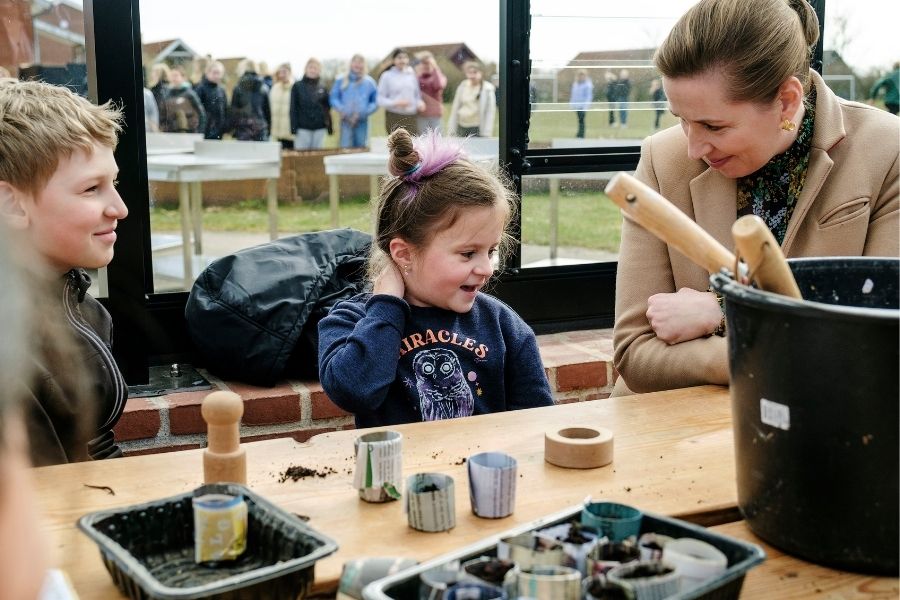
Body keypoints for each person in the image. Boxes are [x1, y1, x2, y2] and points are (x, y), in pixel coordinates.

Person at [613, 0, 900, 395]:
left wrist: (722, 311)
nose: (694, 147)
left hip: (831, 423)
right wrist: (771, 345)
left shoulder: (888, 151)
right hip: (670, 430)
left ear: (786, 100)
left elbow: (880, 338)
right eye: (680, 118)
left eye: (713, 125)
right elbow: (635, 354)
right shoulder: (663, 159)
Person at [318, 128, 554, 426]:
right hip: (399, 472)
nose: (487, 268)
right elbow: (354, 392)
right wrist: (386, 305)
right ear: (404, 254)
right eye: (468, 254)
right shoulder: (352, 320)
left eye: (491, 251)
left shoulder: (504, 326)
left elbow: (537, 422)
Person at [0, 78, 131, 463]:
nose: (120, 208)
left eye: (115, 183)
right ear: (13, 204)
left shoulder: (79, 304)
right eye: (92, 188)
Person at [330, 54, 379, 148]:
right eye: (355, 61)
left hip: (361, 121)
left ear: (364, 65)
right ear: (350, 64)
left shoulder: (369, 82)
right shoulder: (340, 80)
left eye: (360, 62)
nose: (357, 64)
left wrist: (365, 111)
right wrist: (342, 109)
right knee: (345, 147)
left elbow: (375, 101)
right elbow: (334, 98)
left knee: (361, 147)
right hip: (345, 121)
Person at [377, 48, 423, 135]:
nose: (402, 60)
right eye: (399, 58)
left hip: (411, 116)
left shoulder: (412, 75)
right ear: (394, 60)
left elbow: (417, 96)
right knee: (397, 146)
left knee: (411, 146)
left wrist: (420, 103)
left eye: (405, 57)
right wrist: (396, 103)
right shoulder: (386, 76)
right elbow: (380, 99)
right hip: (394, 116)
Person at [290, 57, 332, 150]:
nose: (312, 70)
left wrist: (329, 127)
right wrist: (293, 128)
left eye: (315, 68)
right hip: (302, 128)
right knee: (301, 158)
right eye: (310, 67)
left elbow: (327, 108)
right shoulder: (297, 86)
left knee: (317, 158)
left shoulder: (323, 86)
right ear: (306, 69)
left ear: (319, 70)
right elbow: (293, 108)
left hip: (319, 128)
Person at [447, 61, 496, 137]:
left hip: (476, 127)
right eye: (469, 73)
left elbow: (490, 112)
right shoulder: (462, 86)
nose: (472, 75)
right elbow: (455, 108)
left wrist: (487, 132)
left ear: (481, 73)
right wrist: (451, 129)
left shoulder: (487, 89)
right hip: (461, 125)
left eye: (475, 72)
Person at [229, 59, 270, 141]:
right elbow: (267, 112)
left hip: (243, 128)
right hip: (260, 127)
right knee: (260, 153)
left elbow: (234, 111)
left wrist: (233, 129)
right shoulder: (264, 88)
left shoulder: (238, 88)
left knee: (243, 153)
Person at [162, 64, 205, 134]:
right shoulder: (166, 95)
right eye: (171, 76)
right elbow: (163, 116)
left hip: (189, 133)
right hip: (171, 134)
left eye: (176, 75)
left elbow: (201, 114)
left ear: (183, 77)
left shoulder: (190, 94)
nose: (173, 78)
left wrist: (199, 132)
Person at [194, 60, 228, 140]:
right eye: (214, 73)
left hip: (218, 130)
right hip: (204, 130)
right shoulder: (200, 88)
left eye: (219, 73)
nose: (216, 76)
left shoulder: (221, 90)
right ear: (207, 73)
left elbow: (225, 109)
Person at [415, 50, 447, 133]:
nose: (426, 65)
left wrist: (435, 68)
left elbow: (439, 85)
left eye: (428, 63)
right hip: (421, 115)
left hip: (435, 115)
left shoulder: (439, 76)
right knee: (423, 141)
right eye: (423, 63)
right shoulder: (417, 77)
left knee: (438, 140)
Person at [269, 62, 295, 149]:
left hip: (290, 133)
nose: (282, 75)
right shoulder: (275, 88)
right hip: (277, 132)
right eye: (280, 72)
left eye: (284, 72)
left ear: (290, 73)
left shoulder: (295, 88)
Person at [570, 69, 593, 138]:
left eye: (583, 75)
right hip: (577, 106)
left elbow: (589, 96)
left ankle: (581, 134)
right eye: (580, 75)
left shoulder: (588, 85)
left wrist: (586, 106)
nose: (581, 77)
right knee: (580, 120)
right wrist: (572, 104)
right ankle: (579, 134)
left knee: (581, 120)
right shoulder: (576, 84)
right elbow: (573, 95)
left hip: (583, 106)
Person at [148, 62, 171, 132]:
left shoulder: (161, 89)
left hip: (160, 125)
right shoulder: (155, 89)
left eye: (154, 72)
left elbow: (161, 107)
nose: (152, 74)